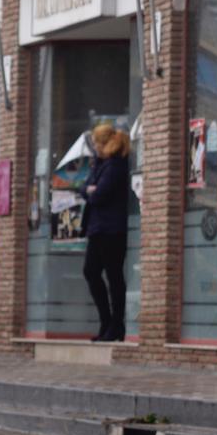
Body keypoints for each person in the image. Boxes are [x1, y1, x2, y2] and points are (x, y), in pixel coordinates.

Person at [82, 123, 131, 343]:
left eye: (95, 143)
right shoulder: (100, 164)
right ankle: (106, 321)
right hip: (97, 229)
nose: (94, 147)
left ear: (103, 143)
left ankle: (116, 326)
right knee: (91, 272)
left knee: (114, 278)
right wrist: (90, 190)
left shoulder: (116, 165)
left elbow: (98, 194)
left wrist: (92, 191)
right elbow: (85, 188)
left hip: (112, 230)